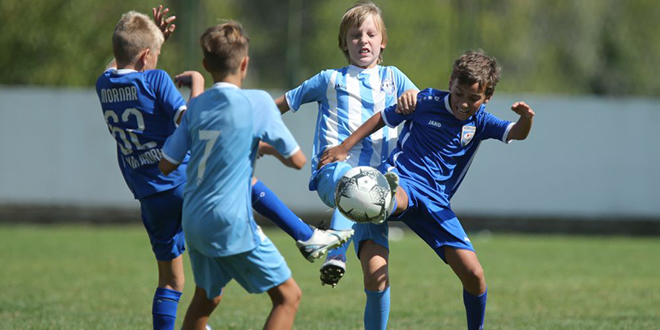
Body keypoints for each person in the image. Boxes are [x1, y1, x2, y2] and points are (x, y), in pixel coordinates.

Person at [319, 50, 535, 330]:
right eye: (459, 93)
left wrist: (526, 118)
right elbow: (382, 118)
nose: (464, 103)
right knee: (374, 195)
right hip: (403, 181)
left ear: (486, 98)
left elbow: (516, 132)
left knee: (475, 275)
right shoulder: (425, 101)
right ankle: (337, 247)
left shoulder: (480, 121)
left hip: (437, 205)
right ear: (450, 83)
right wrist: (344, 147)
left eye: (473, 98)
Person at [159, 21, 304, 330]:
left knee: (207, 298)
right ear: (245, 63)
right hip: (230, 221)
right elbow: (298, 161)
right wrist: (271, 149)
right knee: (288, 297)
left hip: (194, 221)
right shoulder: (258, 102)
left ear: (205, 65)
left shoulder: (195, 107)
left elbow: (166, 165)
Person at [274, 1, 418, 288]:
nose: (363, 40)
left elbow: (418, 100)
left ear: (383, 41)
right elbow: (280, 105)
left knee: (378, 277)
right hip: (334, 174)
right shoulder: (329, 79)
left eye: (370, 34)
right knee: (352, 182)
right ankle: (336, 254)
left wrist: (413, 97)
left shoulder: (394, 78)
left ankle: (333, 242)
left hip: (378, 188)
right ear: (344, 43)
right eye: (355, 35)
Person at [95, 7, 204, 330]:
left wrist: (151, 40)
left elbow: (117, 65)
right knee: (217, 266)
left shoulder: (103, 85)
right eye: (155, 54)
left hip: (149, 196)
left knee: (171, 282)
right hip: (184, 182)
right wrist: (197, 82)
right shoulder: (155, 78)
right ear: (146, 57)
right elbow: (192, 122)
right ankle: (303, 233)